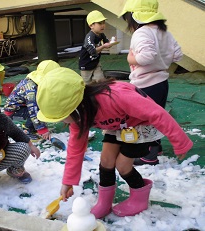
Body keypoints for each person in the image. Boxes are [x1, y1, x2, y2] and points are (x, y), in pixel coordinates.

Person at [36, 67, 193, 218]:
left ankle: (139, 198)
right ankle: (105, 202)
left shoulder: (116, 97)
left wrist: (179, 141)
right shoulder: (79, 116)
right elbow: (75, 148)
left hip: (140, 126)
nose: (62, 121)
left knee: (123, 166)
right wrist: (68, 181)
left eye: (62, 116)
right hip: (118, 126)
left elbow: (157, 114)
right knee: (106, 160)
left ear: (75, 106)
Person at [119, 0, 184, 166]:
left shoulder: (142, 33)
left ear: (134, 16)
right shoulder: (164, 32)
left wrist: (130, 57)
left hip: (146, 84)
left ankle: (149, 155)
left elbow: (146, 57)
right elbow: (177, 55)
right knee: (157, 116)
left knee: (144, 120)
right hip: (162, 82)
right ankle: (157, 147)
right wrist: (163, 59)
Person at [4, 60, 60, 141]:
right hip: (13, 111)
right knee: (38, 111)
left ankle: (34, 126)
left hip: (23, 106)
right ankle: (27, 130)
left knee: (40, 108)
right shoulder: (31, 91)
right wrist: (42, 130)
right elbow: (34, 110)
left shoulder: (34, 82)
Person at [79, 10, 114, 85]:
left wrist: (112, 42)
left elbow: (107, 43)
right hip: (86, 65)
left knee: (100, 81)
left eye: (104, 22)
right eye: (100, 23)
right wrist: (103, 46)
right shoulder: (89, 36)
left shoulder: (101, 34)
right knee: (87, 85)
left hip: (96, 63)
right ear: (91, 25)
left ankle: (100, 95)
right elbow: (92, 51)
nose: (103, 25)